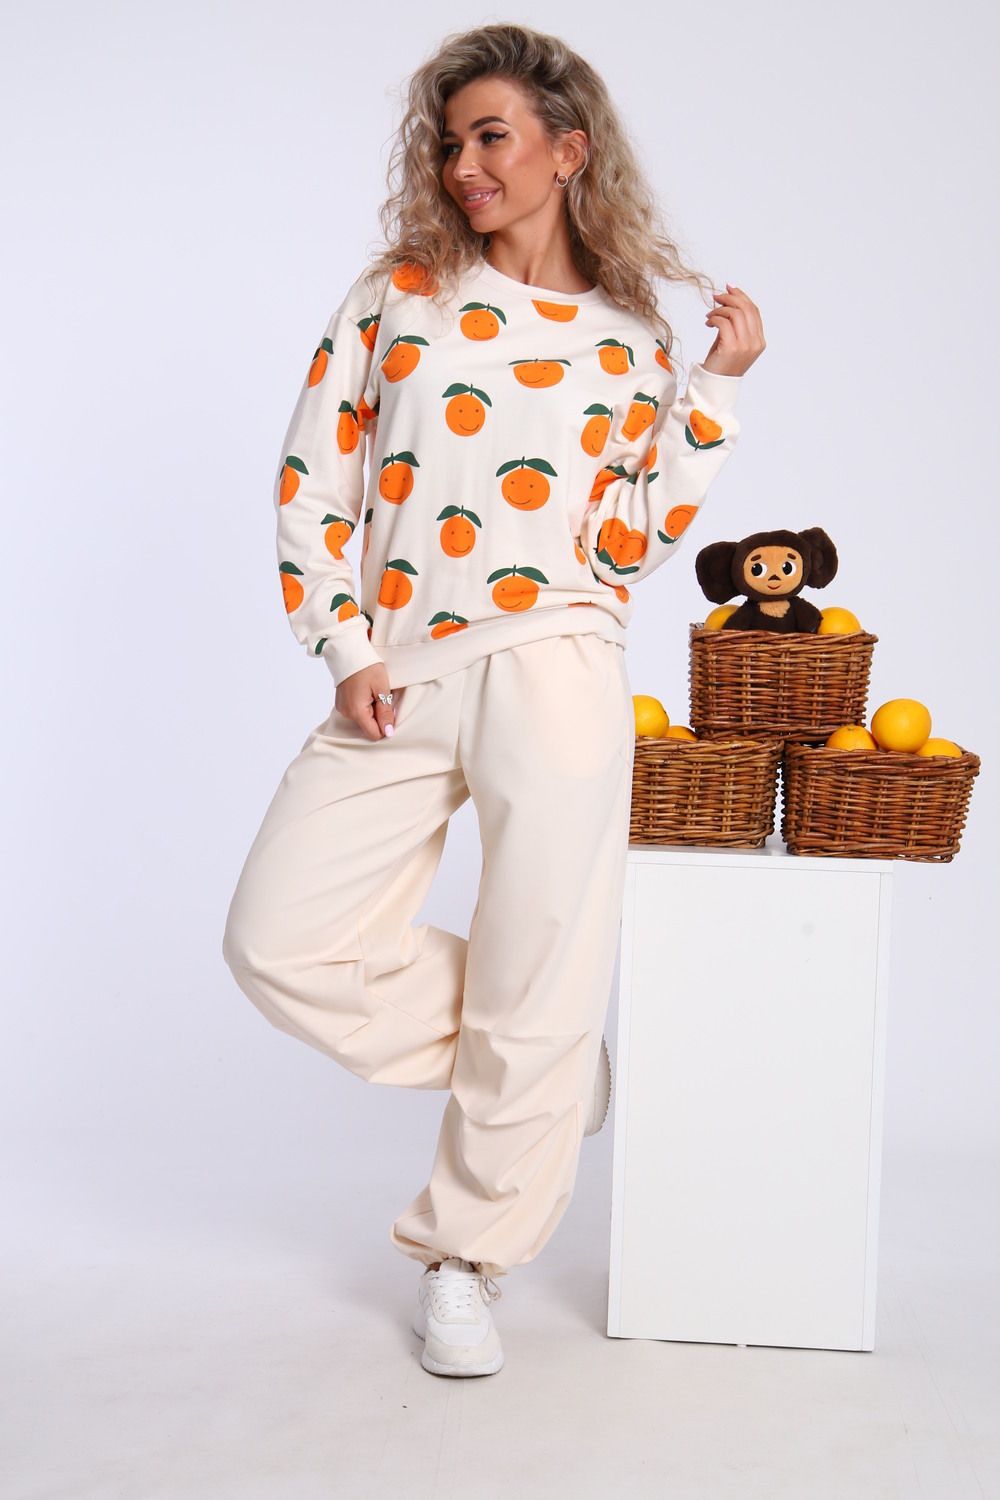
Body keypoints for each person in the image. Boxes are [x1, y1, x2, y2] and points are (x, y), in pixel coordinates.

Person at [222, 21, 766, 1379]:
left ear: (569, 151)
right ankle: (553, 1065)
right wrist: (344, 643)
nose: (464, 164)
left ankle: (465, 1260)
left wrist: (711, 393)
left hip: (560, 659)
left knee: (543, 950)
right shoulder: (397, 295)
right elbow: (314, 474)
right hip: (401, 667)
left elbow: (629, 540)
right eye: (449, 139)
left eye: (492, 136)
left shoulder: (629, 339)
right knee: (281, 940)